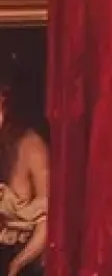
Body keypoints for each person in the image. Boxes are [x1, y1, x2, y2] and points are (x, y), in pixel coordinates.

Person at [0, 67, 47, 276]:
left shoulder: (33, 147)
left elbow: (48, 225)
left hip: (25, 259)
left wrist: (17, 265)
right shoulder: (3, 144)